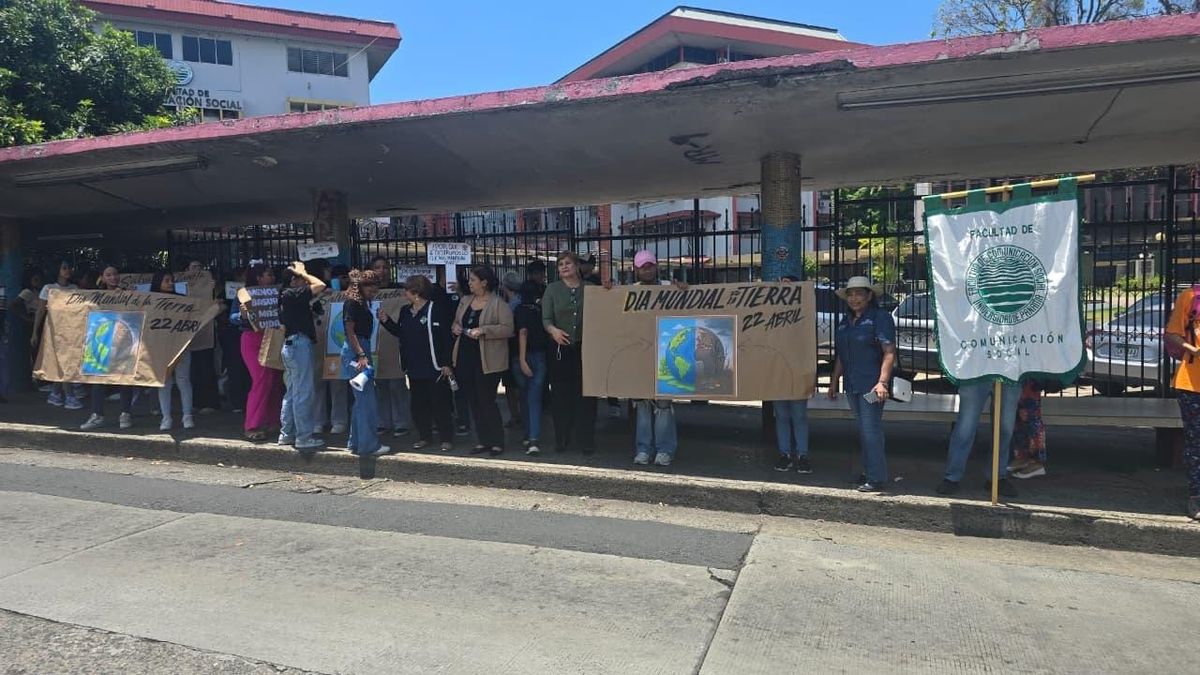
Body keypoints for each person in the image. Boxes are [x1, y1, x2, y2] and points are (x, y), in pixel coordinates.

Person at [827, 276, 895, 493]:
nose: (854, 298)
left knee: (870, 429)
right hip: (852, 384)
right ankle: (869, 472)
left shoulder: (879, 318)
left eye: (859, 294)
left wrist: (882, 382)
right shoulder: (845, 322)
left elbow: (889, 352)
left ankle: (876, 478)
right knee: (864, 429)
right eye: (850, 294)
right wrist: (834, 380)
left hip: (872, 386)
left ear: (869, 296)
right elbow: (841, 355)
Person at [379, 275, 456, 451]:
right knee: (418, 405)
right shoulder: (406, 311)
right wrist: (386, 322)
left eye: (407, 290)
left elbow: (445, 338)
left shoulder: (435, 309)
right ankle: (424, 436)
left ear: (416, 292)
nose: (404, 293)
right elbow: (401, 333)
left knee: (440, 403)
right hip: (414, 365)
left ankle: (446, 438)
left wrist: (446, 363)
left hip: (434, 365)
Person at [453, 265, 514, 456]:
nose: (469, 283)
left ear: (484, 282)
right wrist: (455, 326)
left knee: (486, 400)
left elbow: (507, 329)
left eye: (473, 280)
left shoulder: (498, 304)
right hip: (465, 356)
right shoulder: (465, 300)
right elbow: (456, 321)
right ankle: (482, 440)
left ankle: (497, 440)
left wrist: (485, 330)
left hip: (488, 359)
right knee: (473, 401)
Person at [626, 251, 679, 466]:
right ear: (636, 269)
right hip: (639, 355)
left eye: (650, 265)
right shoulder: (630, 292)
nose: (646, 269)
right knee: (643, 404)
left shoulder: (669, 287)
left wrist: (682, 289)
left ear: (656, 266)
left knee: (664, 403)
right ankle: (643, 449)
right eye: (642, 266)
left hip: (666, 354)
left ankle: (665, 449)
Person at [543, 251, 598, 455]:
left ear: (576, 266)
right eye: (560, 264)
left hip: (586, 348)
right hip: (560, 349)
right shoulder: (552, 290)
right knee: (560, 396)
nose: (564, 267)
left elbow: (607, 305)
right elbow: (546, 319)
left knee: (586, 396)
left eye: (567, 263)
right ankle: (561, 438)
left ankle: (586, 440)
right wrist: (553, 331)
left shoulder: (591, 288)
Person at [938, 379, 1021, 498]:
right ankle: (952, 477)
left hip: (1010, 373)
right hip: (976, 371)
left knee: (1005, 428)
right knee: (965, 426)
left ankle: (997, 476)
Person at [277, 261, 327, 454]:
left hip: (291, 345)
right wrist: (303, 272)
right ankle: (304, 437)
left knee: (292, 391)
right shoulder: (291, 294)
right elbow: (320, 285)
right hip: (298, 346)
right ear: (293, 280)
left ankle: (287, 433)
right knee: (303, 392)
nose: (303, 281)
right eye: (299, 278)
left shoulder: (286, 297)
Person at [343, 269, 391, 457]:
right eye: (370, 289)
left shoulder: (360, 302)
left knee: (360, 401)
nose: (373, 292)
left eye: (375, 289)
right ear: (361, 287)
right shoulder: (353, 303)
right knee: (367, 401)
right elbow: (350, 331)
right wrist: (361, 354)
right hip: (358, 351)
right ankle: (368, 445)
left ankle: (356, 441)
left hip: (359, 350)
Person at [81, 265, 135, 431]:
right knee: (98, 379)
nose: (113, 277)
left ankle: (125, 414)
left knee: (125, 377)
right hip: (101, 340)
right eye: (109, 275)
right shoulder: (95, 295)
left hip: (122, 340)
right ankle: (97, 415)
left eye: (115, 274)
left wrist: (130, 296)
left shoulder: (127, 293)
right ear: (102, 277)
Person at [1163, 289, 1200, 520]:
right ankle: (1196, 497)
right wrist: (1192, 349)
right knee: (1196, 444)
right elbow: (1172, 334)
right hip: (1192, 384)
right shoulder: (1191, 297)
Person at [238, 261, 284, 442]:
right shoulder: (243, 295)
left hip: (273, 337)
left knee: (274, 381)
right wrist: (242, 314)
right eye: (268, 274)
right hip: (252, 339)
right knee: (261, 380)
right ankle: (252, 425)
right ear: (258, 278)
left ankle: (273, 421)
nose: (272, 277)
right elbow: (233, 317)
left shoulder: (278, 294)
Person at [772, 275, 812, 474]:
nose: (784, 290)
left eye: (788, 286)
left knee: (799, 415)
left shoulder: (804, 314)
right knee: (781, 415)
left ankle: (803, 455)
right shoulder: (769, 314)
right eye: (781, 286)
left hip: (797, 371)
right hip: (777, 372)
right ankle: (785, 454)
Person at [369, 255, 411, 438]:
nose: (382, 271)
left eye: (385, 267)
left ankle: (401, 422)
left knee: (396, 384)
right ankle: (382, 422)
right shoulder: (366, 290)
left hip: (394, 343)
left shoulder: (399, 290)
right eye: (377, 267)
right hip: (373, 343)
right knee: (380, 386)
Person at [33, 261, 85, 410]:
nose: (68, 270)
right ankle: (69, 396)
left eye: (69, 268)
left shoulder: (74, 288)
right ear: (57, 270)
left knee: (66, 362)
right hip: (54, 331)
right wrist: (35, 332)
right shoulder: (48, 288)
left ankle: (55, 393)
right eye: (64, 268)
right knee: (64, 363)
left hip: (72, 330)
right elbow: (41, 311)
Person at [152, 271, 195, 431]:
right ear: (158, 282)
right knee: (164, 383)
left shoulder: (182, 300)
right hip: (160, 349)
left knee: (183, 380)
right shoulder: (150, 301)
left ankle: (187, 416)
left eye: (172, 280)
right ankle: (166, 417)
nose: (170, 283)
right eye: (167, 280)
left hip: (181, 347)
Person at [514, 279, 548, 455]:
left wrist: (521, 359)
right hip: (540, 355)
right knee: (535, 399)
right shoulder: (541, 310)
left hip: (523, 356)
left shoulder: (519, 310)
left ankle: (529, 435)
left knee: (524, 397)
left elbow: (522, 332)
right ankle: (533, 437)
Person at [1009, 380, 1047, 479]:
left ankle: (1036, 461)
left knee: (1031, 416)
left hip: (1030, 374)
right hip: (1023, 374)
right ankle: (1023, 457)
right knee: (1019, 415)